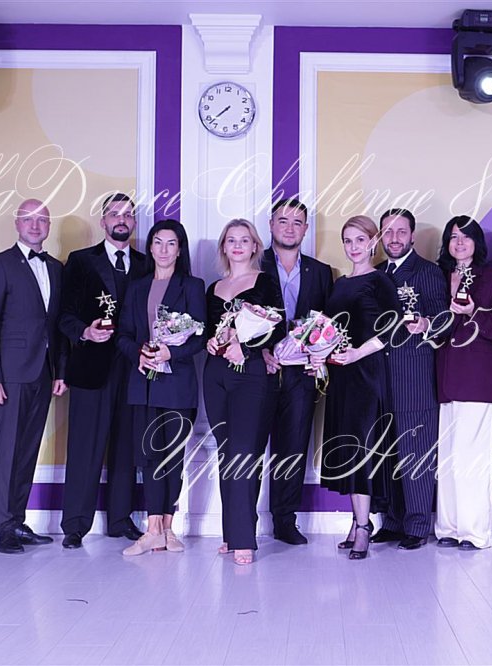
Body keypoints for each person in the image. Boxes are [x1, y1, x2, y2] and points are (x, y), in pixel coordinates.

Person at [0, 199, 67, 554]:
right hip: (10, 375)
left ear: (49, 226)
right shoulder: (0, 265)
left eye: (41, 219)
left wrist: (60, 371)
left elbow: (55, 327)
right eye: (28, 219)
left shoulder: (56, 268)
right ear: (17, 223)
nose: (35, 225)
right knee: (8, 451)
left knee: (28, 451)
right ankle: (1, 526)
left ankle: (16, 519)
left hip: (42, 373)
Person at [59, 193, 146, 549]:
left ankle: (120, 521)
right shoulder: (80, 261)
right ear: (103, 221)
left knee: (126, 449)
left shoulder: (147, 264)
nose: (121, 219)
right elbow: (63, 316)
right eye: (114, 214)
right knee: (84, 447)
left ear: (134, 222)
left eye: (127, 214)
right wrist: (85, 331)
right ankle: (75, 525)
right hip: (90, 369)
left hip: (135, 370)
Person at [311, 215, 401, 561]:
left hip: (367, 374)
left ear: (373, 242)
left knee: (362, 449)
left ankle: (364, 527)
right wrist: (320, 355)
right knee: (349, 449)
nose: (353, 247)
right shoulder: (339, 284)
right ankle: (356, 522)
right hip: (341, 377)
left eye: (360, 240)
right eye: (348, 241)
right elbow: (328, 329)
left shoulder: (380, 280)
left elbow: (393, 326)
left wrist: (357, 353)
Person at [116, 219, 206, 556]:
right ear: (150, 247)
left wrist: (172, 352)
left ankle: (168, 528)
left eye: (171, 243)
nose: (164, 249)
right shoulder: (137, 287)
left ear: (180, 250)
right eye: (158, 242)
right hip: (143, 383)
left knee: (172, 457)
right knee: (149, 456)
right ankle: (153, 529)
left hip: (178, 383)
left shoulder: (192, 285)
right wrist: (139, 353)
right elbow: (123, 335)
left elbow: (200, 337)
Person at [204, 219, 286, 566]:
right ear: (223, 247)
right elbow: (208, 330)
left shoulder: (265, 282)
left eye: (244, 240)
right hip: (215, 374)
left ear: (255, 246)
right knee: (227, 454)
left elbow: (278, 327)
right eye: (231, 240)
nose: (237, 245)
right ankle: (232, 532)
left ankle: (243, 540)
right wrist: (211, 342)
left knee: (243, 453)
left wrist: (248, 348)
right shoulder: (213, 287)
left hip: (251, 373)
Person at [434, 216, 492, 551]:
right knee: (449, 456)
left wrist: (472, 312)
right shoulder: (438, 277)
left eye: (466, 236)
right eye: (453, 236)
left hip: (479, 379)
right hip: (446, 377)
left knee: (473, 458)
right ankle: (449, 527)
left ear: (477, 243)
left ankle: (476, 531)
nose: (459, 242)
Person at [370, 208, 448, 550]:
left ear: (412, 236)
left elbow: (444, 318)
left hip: (414, 376)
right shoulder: (374, 273)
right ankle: (391, 521)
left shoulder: (428, 272)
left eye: (401, 231)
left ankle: (417, 525)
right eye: (388, 232)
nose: (394, 238)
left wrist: (426, 324)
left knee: (416, 453)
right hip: (379, 378)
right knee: (386, 453)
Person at [260, 198, 333, 545]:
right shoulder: (253, 262)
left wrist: (320, 353)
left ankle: (284, 521)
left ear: (305, 229)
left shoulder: (320, 272)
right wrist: (260, 351)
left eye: (297, 222)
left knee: (293, 447)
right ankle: (241, 521)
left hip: (302, 374)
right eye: (283, 220)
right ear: (271, 225)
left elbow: (329, 322)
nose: (290, 228)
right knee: (249, 445)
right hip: (259, 369)